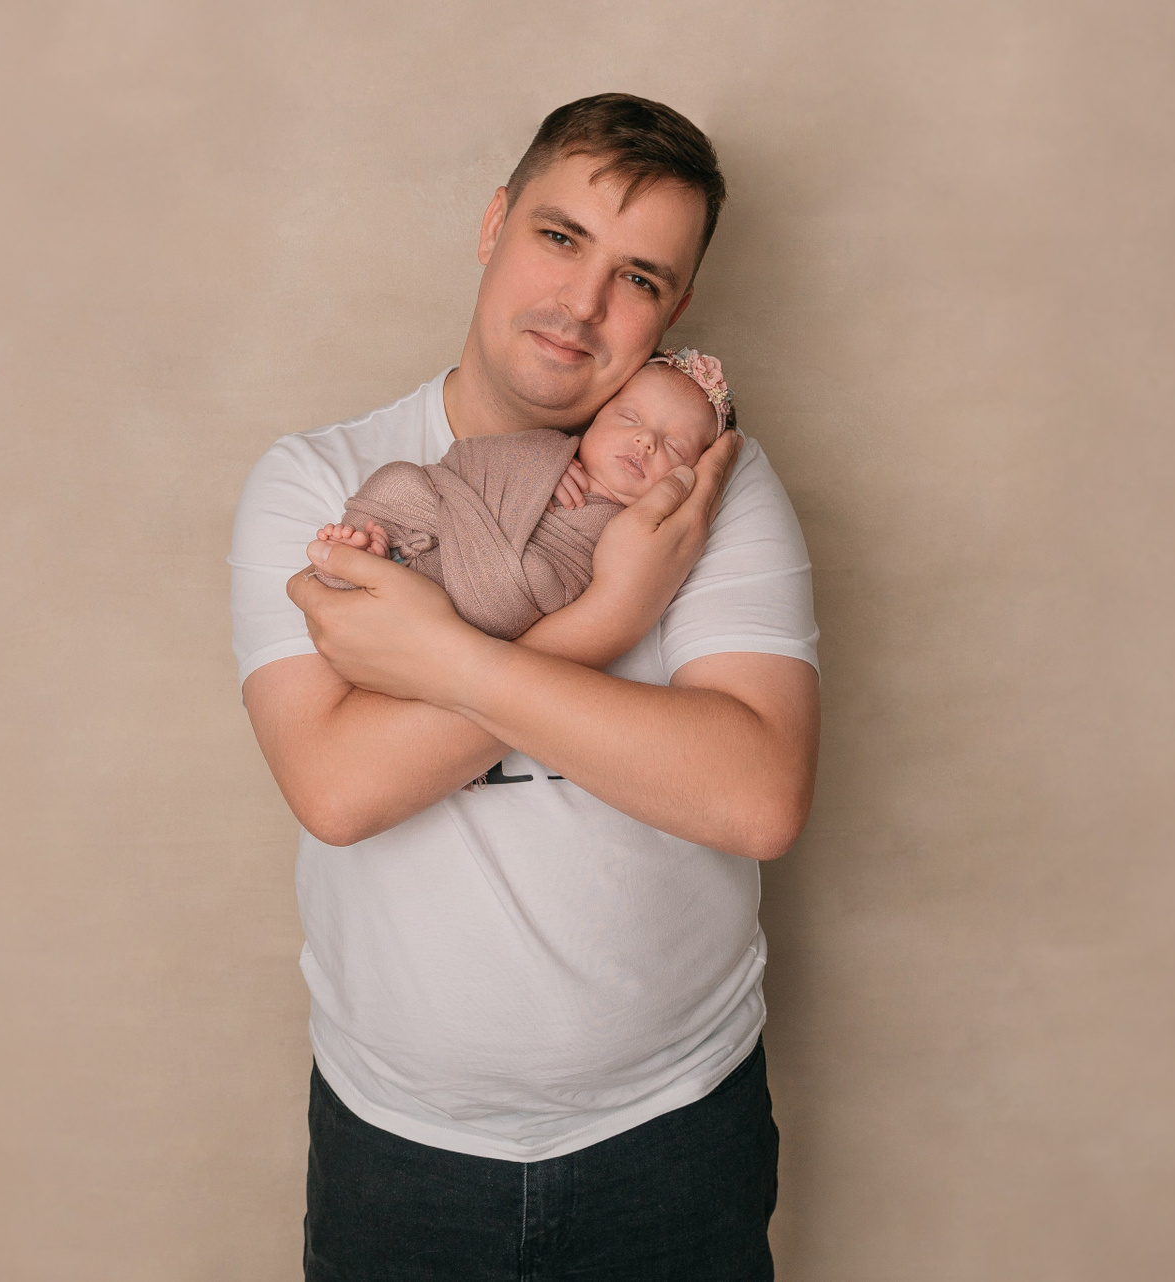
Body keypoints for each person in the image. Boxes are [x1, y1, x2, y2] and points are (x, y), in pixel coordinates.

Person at [229, 92, 820, 1280]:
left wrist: (441, 658)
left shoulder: (700, 481)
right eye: (560, 237)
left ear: (674, 311)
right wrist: (608, 619)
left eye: (639, 277)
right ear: (494, 222)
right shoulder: (325, 481)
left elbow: (755, 795)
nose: (583, 303)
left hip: (675, 1132)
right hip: (401, 1150)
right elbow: (339, 787)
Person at [309, 348, 734, 642]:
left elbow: (585, 593)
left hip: (497, 586)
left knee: (520, 589)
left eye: (674, 446)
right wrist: (540, 465)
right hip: (445, 515)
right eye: (629, 417)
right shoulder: (545, 447)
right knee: (398, 479)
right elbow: (462, 461)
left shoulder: (638, 530)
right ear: (596, 417)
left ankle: (376, 578)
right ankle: (366, 555)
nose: (645, 441)